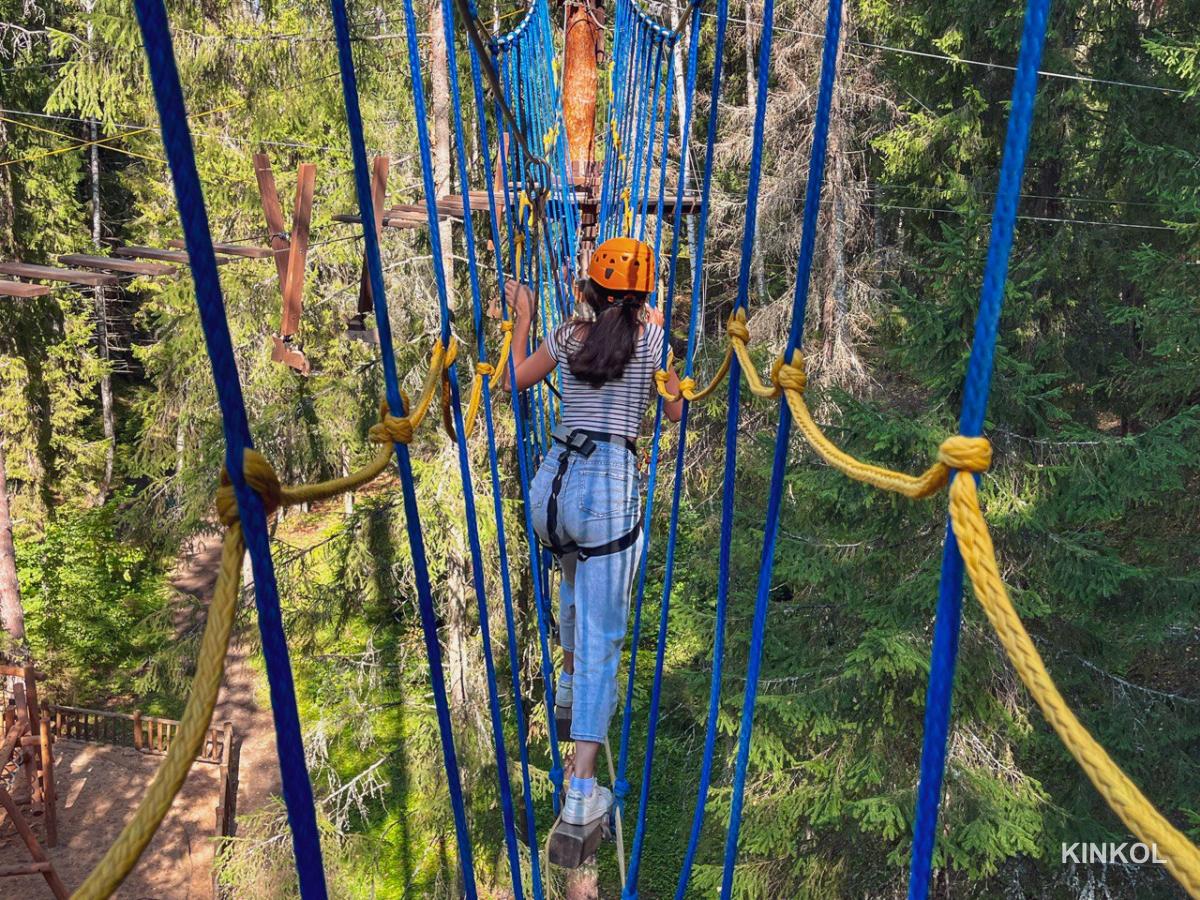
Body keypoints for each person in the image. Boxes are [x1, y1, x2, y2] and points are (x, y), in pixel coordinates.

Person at [504, 236, 683, 829]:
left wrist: (524, 319)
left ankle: (566, 683)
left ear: (593, 288)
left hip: (552, 489)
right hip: (608, 490)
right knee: (607, 634)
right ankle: (582, 792)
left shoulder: (569, 336)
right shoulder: (651, 339)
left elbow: (513, 380)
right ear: (642, 296)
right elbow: (676, 410)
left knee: (573, 569)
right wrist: (663, 343)